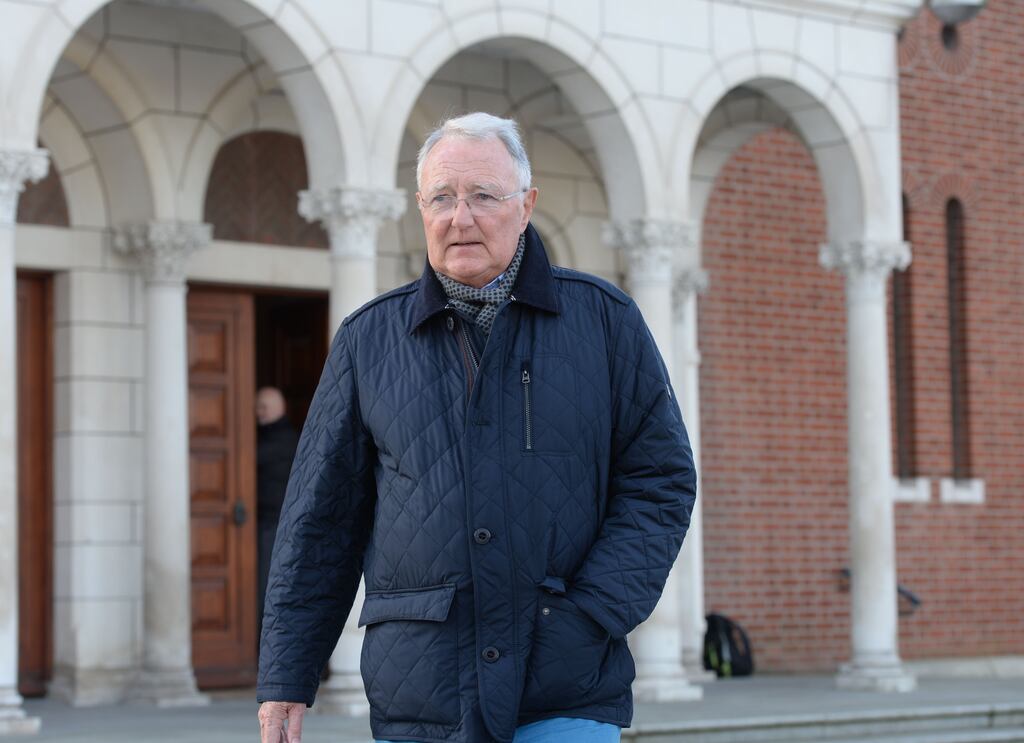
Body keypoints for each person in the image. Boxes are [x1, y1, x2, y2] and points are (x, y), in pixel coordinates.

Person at [257, 112, 696, 743]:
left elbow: (661, 481)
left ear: (526, 205)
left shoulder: (604, 321)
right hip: (421, 687)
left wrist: (593, 612)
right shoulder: (367, 340)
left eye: (483, 196)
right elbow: (318, 522)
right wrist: (286, 676)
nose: (459, 217)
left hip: (566, 682)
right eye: (441, 198)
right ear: (420, 208)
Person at [254, 386, 299, 640]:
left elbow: (252, 459)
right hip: (263, 524)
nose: (258, 412)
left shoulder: (284, 440)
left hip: (276, 526)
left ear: (279, 409)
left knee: (269, 591)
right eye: (257, 407)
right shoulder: (265, 437)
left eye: (263, 407)